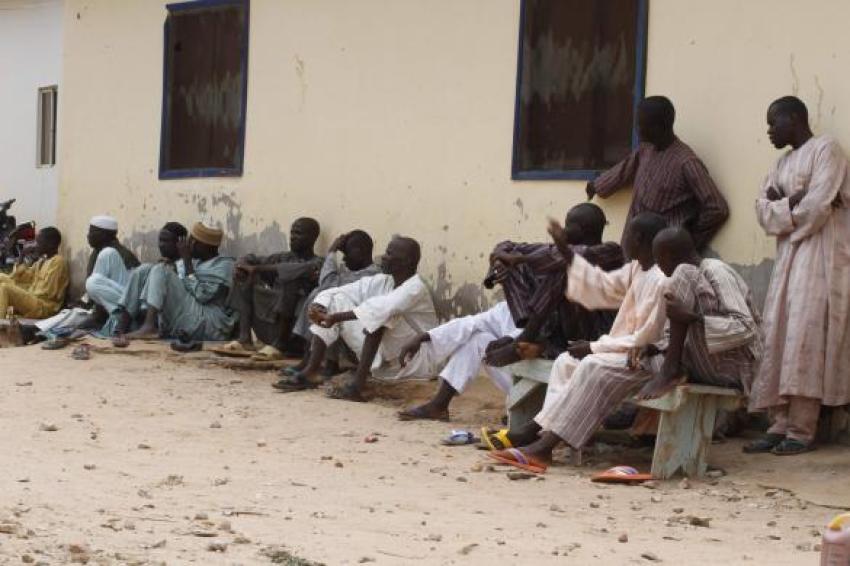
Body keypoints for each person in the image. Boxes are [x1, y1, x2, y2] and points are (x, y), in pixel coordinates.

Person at [490, 223, 763, 473]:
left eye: (661, 261)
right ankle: (544, 445)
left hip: (729, 367)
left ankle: (542, 445)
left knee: (680, 278)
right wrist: (653, 348)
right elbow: (675, 330)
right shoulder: (666, 276)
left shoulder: (713, 271)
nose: (659, 268)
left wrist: (694, 319)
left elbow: (745, 328)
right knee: (599, 367)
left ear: (666, 256)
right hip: (690, 358)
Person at [394, 203, 624, 422]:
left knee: (558, 269)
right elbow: (477, 318)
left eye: (567, 225)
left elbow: (571, 257)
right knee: (479, 341)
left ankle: (525, 341)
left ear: (578, 229)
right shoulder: (531, 300)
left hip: (587, 346)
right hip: (545, 341)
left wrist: (520, 259)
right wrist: (506, 260)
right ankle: (439, 405)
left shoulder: (611, 254)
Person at [487, 212, 669, 468]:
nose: (624, 239)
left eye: (628, 234)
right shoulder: (638, 269)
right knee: (565, 360)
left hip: (648, 358)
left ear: (638, 238)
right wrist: (563, 248)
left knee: (591, 366)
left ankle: (542, 446)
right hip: (622, 350)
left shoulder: (662, 278)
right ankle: (540, 433)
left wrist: (593, 347)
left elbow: (648, 336)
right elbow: (600, 285)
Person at [746, 96, 850, 456]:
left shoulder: (827, 149)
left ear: (794, 118)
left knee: (805, 336)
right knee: (779, 333)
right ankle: (778, 424)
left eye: (774, 123)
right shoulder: (782, 162)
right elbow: (761, 210)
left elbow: (820, 203)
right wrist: (791, 202)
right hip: (789, 256)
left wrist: (785, 207)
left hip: (820, 254)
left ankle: (802, 430)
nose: (769, 131)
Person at [273, 236, 437, 402]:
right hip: (386, 362)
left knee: (381, 316)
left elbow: (381, 309)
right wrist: (321, 307)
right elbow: (338, 291)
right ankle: (311, 371)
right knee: (336, 299)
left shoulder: (416, 287)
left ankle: (357, 386)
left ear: (406, 261)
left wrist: (335, 318)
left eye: (389, 254)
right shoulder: (383, 281)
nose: (382, 257)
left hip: (416, 361)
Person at [587, 96, 729, 251]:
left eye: (641, 124)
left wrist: (687, 239)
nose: (637, 128)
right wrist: (597, 185)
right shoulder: (645, 150)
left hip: (662, 259)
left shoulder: (686, 162)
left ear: (658, 127)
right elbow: (623, 170)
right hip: (633, 250)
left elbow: (717, 208)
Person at [287, 230, 381, 374]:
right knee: (320, 296)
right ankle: (316, 361)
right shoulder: (353, 273)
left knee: (326, 298)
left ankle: (317, 362)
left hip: (364, 344)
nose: (344, 260)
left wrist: (332, 251)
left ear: (359, 252)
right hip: (348, 336)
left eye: (346, 254)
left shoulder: (371, 275)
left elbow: (327, 284)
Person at [229, 218, 323, 360]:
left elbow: (296, 270)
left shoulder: (319, 262)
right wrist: (243, 265)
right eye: (291, 232)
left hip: (295, 330)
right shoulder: (282, 257)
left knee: (290, 281)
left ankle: (281, 345)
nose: (292, 237)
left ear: (312, 237)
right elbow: (250, 258)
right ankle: (245, 338)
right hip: (270, 321)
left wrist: (257, 269)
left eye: (298, 233)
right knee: (243, 277)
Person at [125, 222, 236, 341]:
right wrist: (174, 270)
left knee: (160, 270)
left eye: (192, 241)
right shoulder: (197, 262)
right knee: (152, 268)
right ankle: (139, 325)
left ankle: (149, 326)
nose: (188, 245)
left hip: (209, 322)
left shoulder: (224, 265)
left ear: (205, 245)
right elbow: (186, 290)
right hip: (193, 315)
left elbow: (202, 295)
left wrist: (186, 262)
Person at [103, 222, 189, 335]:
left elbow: (188, 290)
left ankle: (149, 326)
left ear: (179, 243)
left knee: (159, 269)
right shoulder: (163, 264)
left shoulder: (187, 263)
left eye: (166, 241)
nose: (161, 245)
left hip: (178, 313)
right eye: (160, 240)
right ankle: (121, 327)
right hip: (150, 311)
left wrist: (175, 268)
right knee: (143, 268)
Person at [82, 215, 140, 327]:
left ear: (104, 235)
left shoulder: (118, 254)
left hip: (126, 303)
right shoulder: (97, 252)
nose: (88, 235)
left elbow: (108, 288)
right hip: (108, 304)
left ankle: (104, 318)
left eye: (92, 232)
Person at [0, 227, 68, 319]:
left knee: (5, 288)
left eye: (39, 242)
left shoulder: (58, 262)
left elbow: (48, 293)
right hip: (32, 298)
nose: (35, 245)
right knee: (1, 277)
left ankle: (1, 323)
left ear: (51, 244)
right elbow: (18, 277)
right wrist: (22, 255)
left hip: (43, 306)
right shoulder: (41, 261)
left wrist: (21, 296)